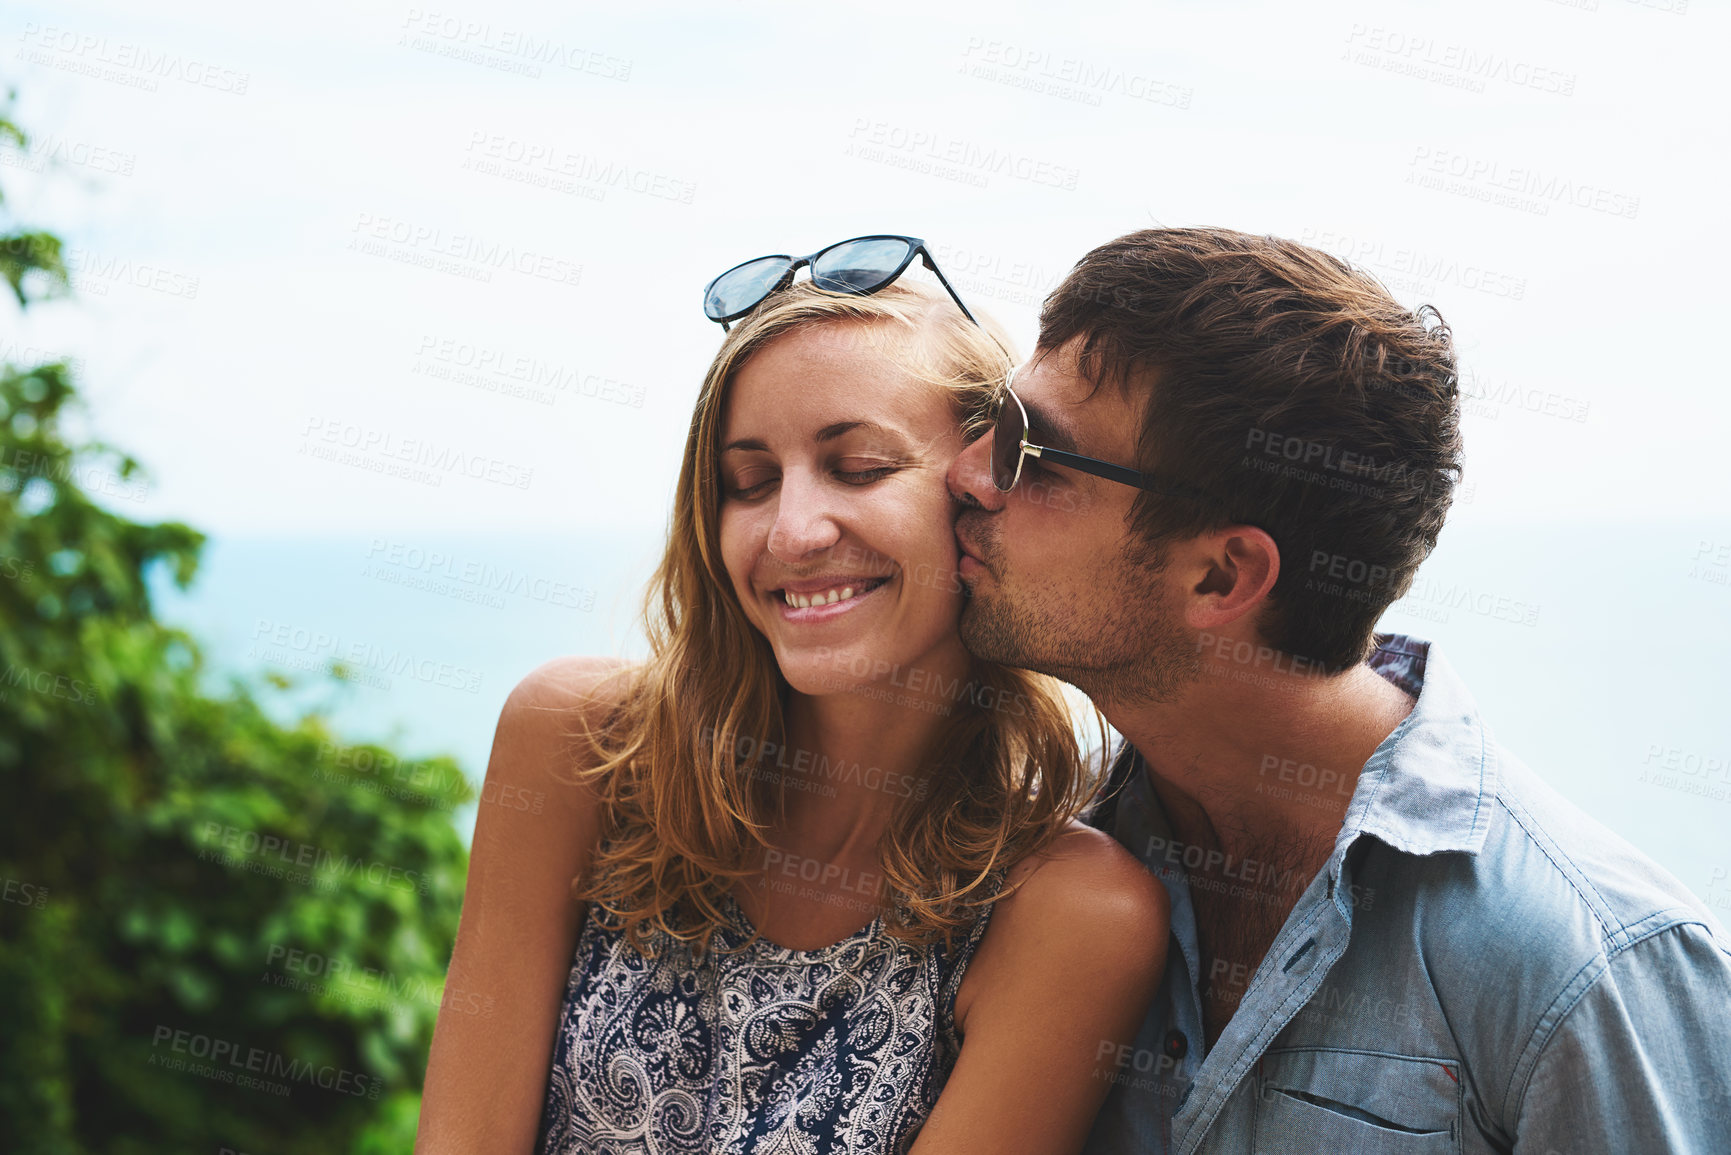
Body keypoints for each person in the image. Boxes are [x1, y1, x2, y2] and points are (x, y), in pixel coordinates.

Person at [944, 226, 1731, 1153]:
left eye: (1029, 455)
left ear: (1222, 577)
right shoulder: (1040, 867)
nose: (964, 472)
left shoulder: (1584, 963)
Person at [415, 242, 1169, 1155]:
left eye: (857, 468)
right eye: (750, 481)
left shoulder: (1067, 911)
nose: (793, 530)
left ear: (978, 491)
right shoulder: (582, 746)